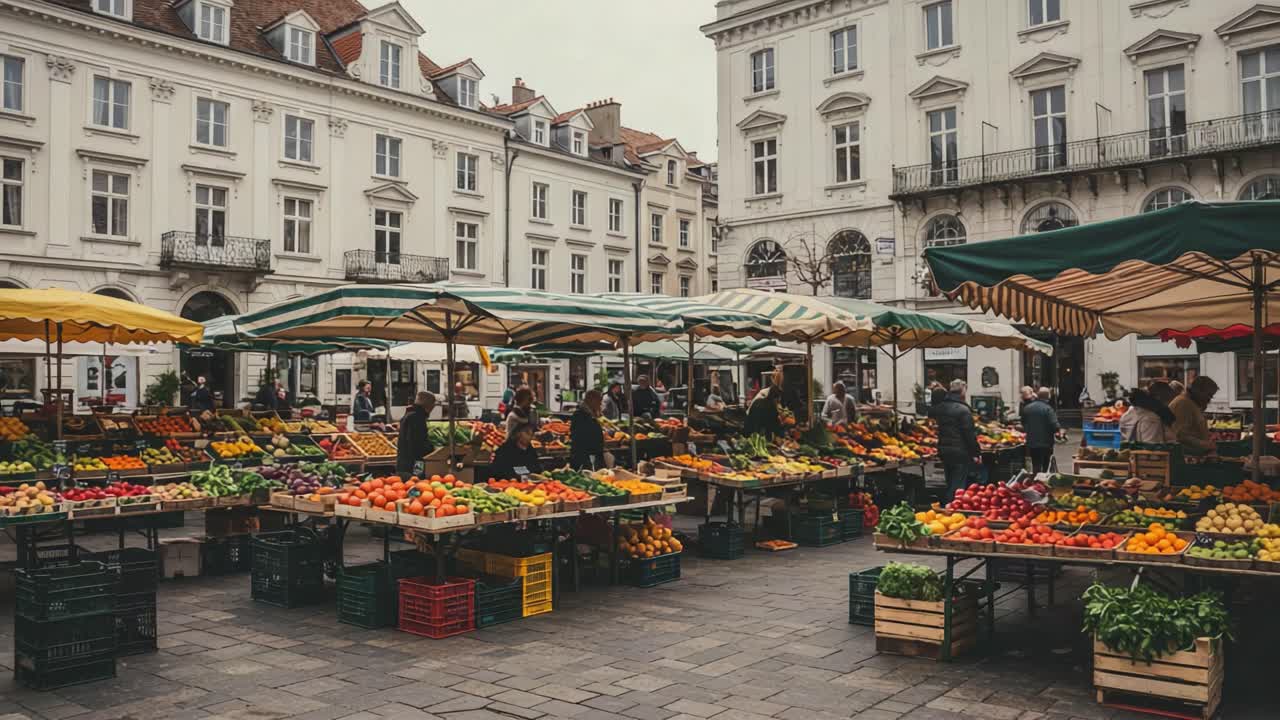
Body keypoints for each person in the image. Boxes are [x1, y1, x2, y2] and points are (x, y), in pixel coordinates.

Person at [931, 379, 981, 500]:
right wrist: (976, 453)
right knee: (958, 482)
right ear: (963, 391)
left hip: (944, 449)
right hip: (960, 450)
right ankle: (953, 507)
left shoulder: (940, 407)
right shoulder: (963, 410)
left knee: (950, 478)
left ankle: (947, 505)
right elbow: (968, 433)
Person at [1170, 376, 1218, 454]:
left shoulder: (1191, 403)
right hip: (1186, 457)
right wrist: (1206, 445)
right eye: (1209, 395)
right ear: (1199, 391)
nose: (1209, 399)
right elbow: (1180, 435)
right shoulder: (1183, 403)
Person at [1021, 387, 1061, 474]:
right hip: (1046, 443)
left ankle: (1036, 482)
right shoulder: (1048, 409)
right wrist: (1059, 431)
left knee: (1035, 465)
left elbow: (1023, 423)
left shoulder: (1027, 408)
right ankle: (1043, 483)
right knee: (1046, 466)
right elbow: (1055, 425)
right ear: (1048, 397)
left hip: (1032, 442)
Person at [396, 392, 436, 475]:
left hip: (403, 464)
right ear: (429, 405)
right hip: (414, 464)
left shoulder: (409, 414)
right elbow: (418, 446)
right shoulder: (417, 417)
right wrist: (432, 449)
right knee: (417, 483)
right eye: (433, 404)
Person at [570, 389, 606, 470]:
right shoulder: (580, 415)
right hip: (583, 456)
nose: (600, 404)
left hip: (589, 454)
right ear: (591, 400)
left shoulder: (590, 414)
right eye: (599, 401)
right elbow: (583, 437)